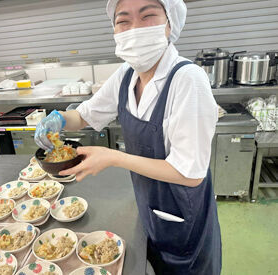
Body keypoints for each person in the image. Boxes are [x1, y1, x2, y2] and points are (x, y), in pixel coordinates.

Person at [35, 0, 222, 274]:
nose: (134, 28)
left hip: (183, 209)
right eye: (123, 21)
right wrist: (61, 118)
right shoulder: (126, 75)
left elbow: (190, 173)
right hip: (149, 201)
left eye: (148, 16)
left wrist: (113, 157)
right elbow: (86, 114)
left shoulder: (187, 80)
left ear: (169, 24)